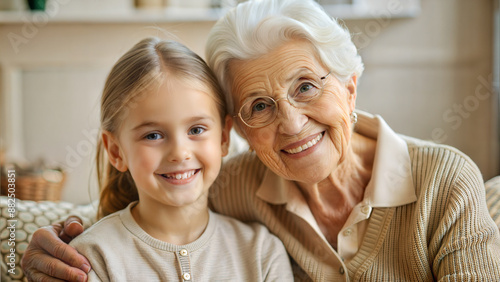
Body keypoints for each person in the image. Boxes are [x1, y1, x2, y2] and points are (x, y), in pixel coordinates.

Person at [21, 0, 500, 281]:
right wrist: (42, 245)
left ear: (350, 87)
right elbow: (154, 210)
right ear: (238, 130)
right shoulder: (234, 186)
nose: (291, 124)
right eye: (260, 106)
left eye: (306, 86)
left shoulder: (445, 180)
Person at [56, 37, 292, 281]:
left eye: (196, 130)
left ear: (223, 137)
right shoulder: (91, 257)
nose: (180, 152)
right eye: (153, 135)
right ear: (116, 151)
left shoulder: (262, 253)